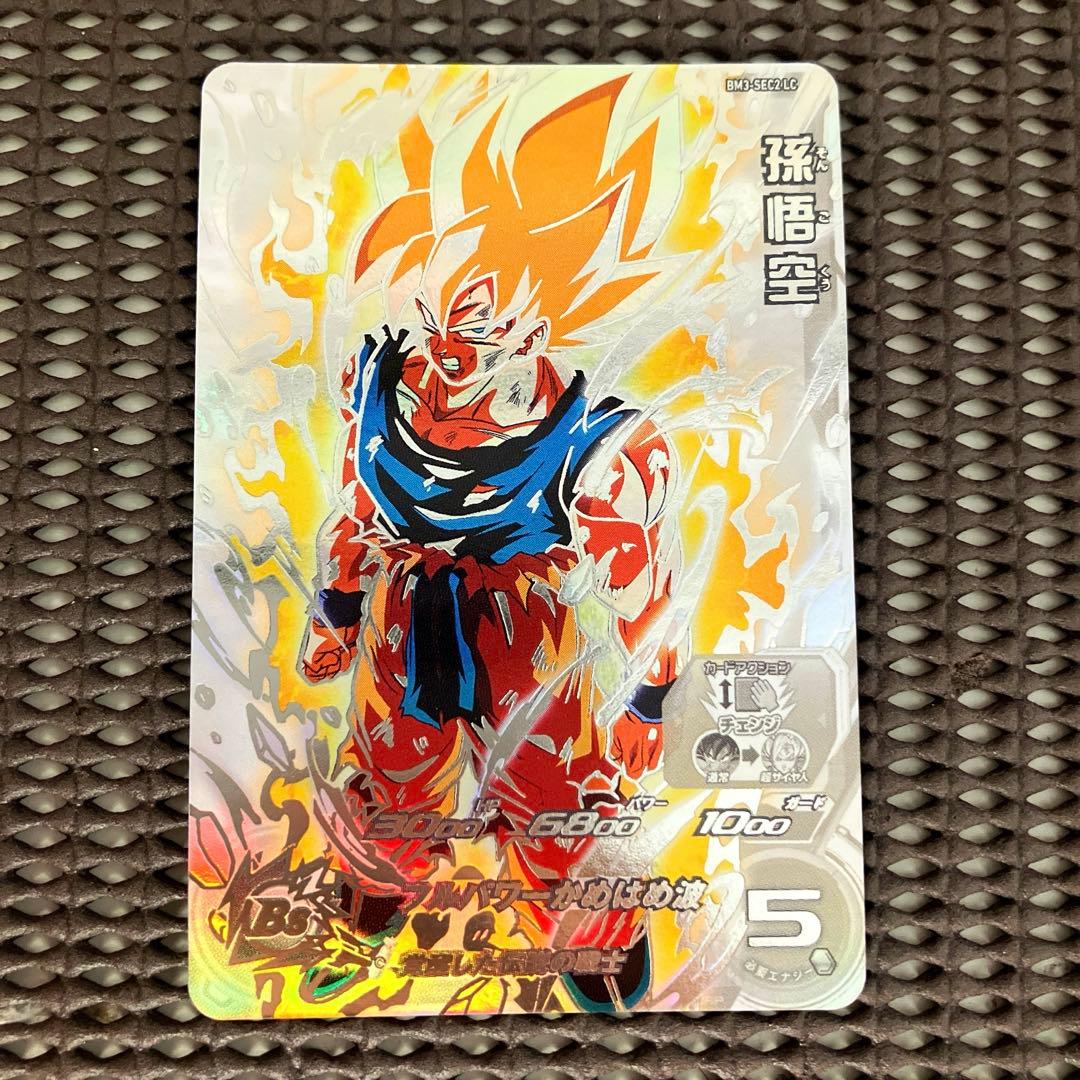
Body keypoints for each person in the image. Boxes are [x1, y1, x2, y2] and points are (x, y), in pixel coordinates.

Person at [299, 78, 686, 1011]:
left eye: (486, 304)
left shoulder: (600, 440)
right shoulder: (381, 385)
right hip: (404, 619)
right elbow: (356, 511)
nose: (457, 327)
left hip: (528, 628)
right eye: (447, 288)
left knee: (555, 799)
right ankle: (368, 909)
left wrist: (646, 699)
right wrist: (339, 610)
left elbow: (645, 582)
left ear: (535, 319)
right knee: (389, 782)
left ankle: (595, 940)